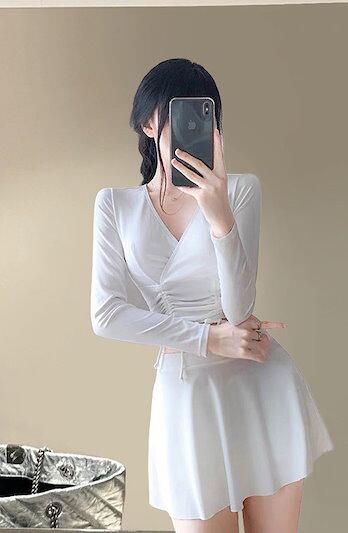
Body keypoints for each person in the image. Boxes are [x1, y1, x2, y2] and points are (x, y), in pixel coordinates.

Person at [90, 58, 334, 533]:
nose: (190, 128)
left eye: (203, 114)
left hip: (261, 383)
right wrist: (209, 338)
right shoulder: (115, 205)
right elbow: (106, 315)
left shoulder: (241, 190)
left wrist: (217, 210)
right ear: (148, 123)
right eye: (175, 113)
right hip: (186, 395)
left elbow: (239, 308)